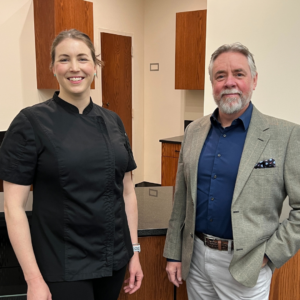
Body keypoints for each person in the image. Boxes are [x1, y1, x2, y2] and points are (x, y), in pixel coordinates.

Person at [0, 29, 143, 300]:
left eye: (83, 59)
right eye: (64, 59)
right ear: (53, 68)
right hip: (62, 262)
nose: (74, 68)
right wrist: (33, 280)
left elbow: (127, 192)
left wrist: (133, 251)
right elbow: (13, 206)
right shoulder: (30, 123)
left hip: (113, 259)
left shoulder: (113, 121)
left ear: (95, 67)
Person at [164, 42, 300, 299]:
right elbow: (181, 199)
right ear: (212, 83)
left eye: (239, 74)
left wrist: (269, 254)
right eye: (220, 76)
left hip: (246, 264)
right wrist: (174, 252)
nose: (229, 82)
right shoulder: (194, 131)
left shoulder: (286, 136)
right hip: (196, 261)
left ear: (254, 80)